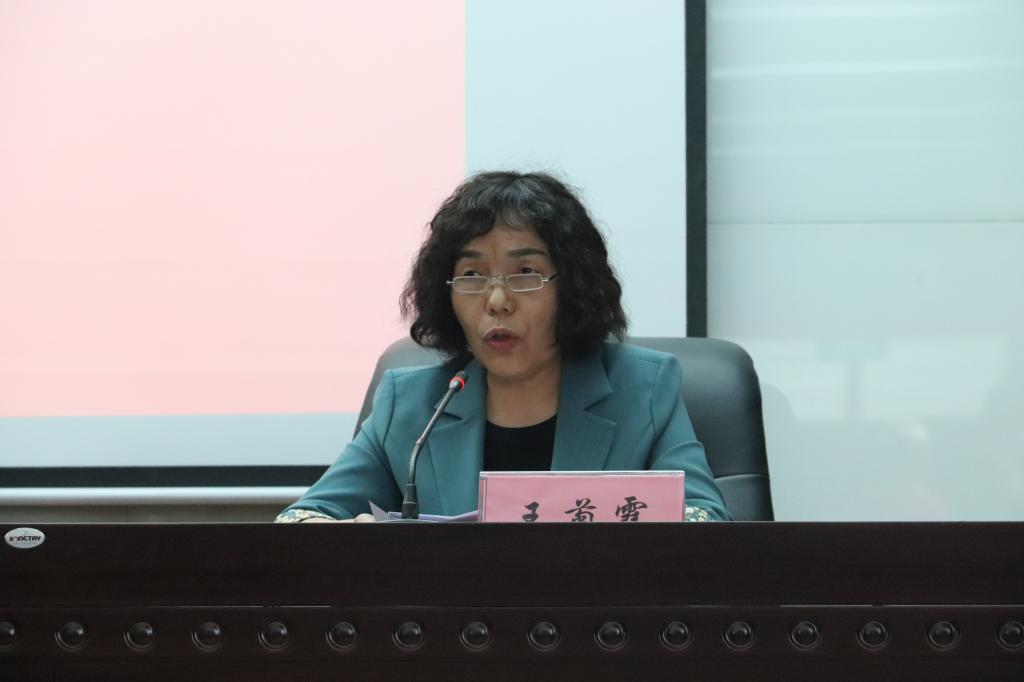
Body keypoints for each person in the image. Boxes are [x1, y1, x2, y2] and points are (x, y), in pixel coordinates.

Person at [277, 171, 730, 523]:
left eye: (525, 273)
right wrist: (344, 536)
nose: (496, 301)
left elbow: (705, 519)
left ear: (572, 286)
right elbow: (300, 518)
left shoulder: (643, 389)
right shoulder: (411, 406)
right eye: (472, 276)